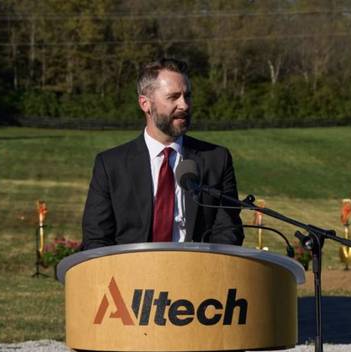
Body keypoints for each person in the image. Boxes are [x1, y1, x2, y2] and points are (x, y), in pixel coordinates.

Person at [81, 58, 244, 249]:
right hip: (132, 267)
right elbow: (96, 238)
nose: (184, 105)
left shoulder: (216, 159)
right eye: (173, 97)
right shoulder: (111, 165)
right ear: (145, 104)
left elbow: (228, 231)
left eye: (187, 96)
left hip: (197, 265)